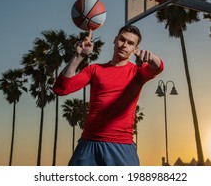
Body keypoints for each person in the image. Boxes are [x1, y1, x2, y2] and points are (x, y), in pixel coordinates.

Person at [53, 25, 164, 166]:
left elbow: (158, 67)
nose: (124, 45)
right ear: (115, 40)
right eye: (122, 40)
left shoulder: (138, 73)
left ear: (135, 49)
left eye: (130, 43)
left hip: (121, 147)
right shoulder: (94, 70)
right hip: (89, 145)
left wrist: (151, 57)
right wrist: (79, 56)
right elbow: (61, 89)